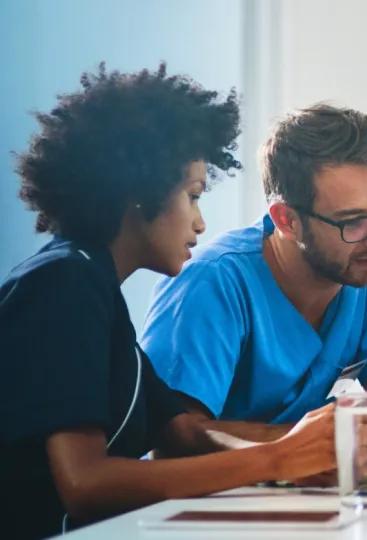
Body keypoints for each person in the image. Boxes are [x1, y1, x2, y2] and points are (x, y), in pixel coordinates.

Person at [0, 64, 336, 540]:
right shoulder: (63, 284)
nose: (200, 223)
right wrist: (277, 458)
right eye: (193, 195)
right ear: (141, 193)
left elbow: (181, 432)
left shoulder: (94, 286)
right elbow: (85, 483)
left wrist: (309, 443)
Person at [140, 104, 367, 466]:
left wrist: (351, 438)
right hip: (211, 510)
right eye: (353, 222)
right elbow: (174, 436)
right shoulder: (213, 283)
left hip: (307, 504)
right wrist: (332, 440)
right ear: (287, 220)